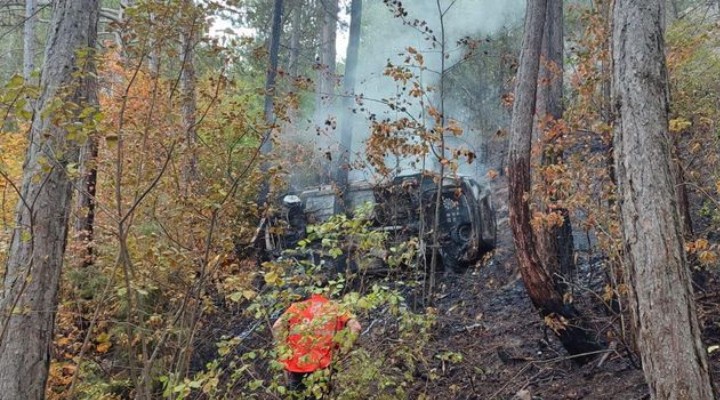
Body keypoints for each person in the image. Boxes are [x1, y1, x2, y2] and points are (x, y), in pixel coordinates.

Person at [272, 293, 361, 397]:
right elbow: (356, 327)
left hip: (297, 364)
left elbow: (277, 326)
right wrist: (344, 350)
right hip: (325, 365)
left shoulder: (296, 307)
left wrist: (283, 351)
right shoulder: (336, 307)